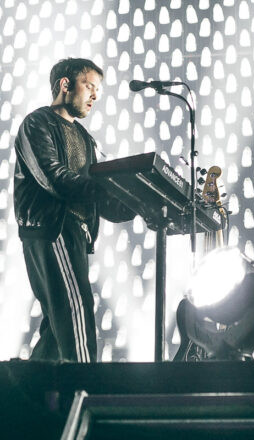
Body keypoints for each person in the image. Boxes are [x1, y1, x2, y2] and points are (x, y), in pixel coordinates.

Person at [14, 58, 134, 362]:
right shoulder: (37, 123)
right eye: (89, 86)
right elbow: (54, 176)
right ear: (65, 85)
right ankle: (84, 385)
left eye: (98, 90)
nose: (95, 95)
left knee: (57, 331)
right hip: (54, 228)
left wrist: (138, 203)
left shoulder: (85, 138)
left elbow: (99, 198)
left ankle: (30, 388)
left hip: (74, 233)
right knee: (76, 309)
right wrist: (108, 190)